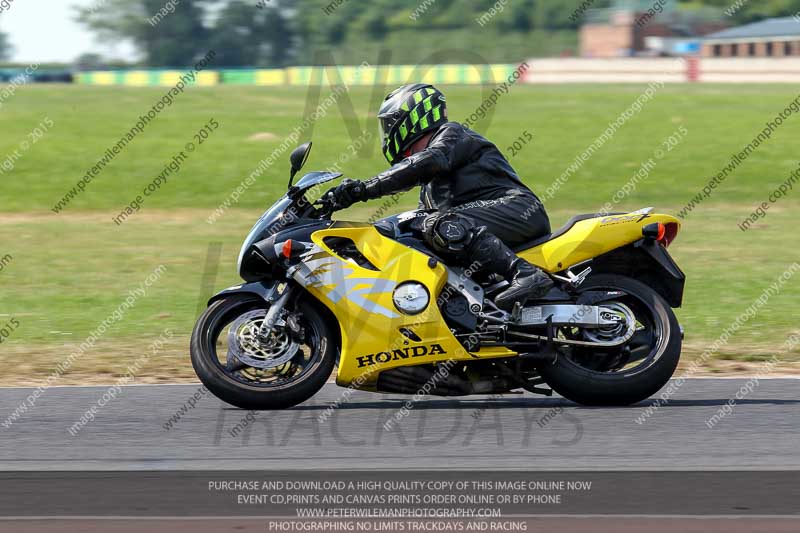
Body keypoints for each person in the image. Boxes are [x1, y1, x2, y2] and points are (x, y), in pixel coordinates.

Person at [324, 83, 553, 310]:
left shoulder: (451, 135)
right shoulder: (430, 186)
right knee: (409, 229)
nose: (387, 132)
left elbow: (426, 163)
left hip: (518, 208)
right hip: (491, 220)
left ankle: (525, 273)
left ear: (414, 118)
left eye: (390, 124)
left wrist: (363, 189)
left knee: (433, 222)